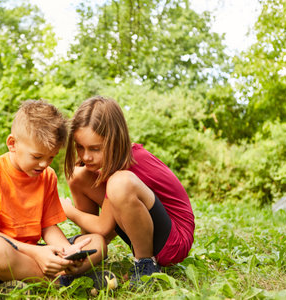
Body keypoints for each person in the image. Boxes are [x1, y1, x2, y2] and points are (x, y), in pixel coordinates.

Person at [0, 100, 115, 291]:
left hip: (32, 252)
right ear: (12, 144)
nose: (44, 164)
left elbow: (48, 227)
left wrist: (66, 252)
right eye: (37, 157)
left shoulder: (47, 176)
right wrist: (38, 254)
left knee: (97, 242)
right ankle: (63, 282)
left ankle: (45, 276)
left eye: (51, 157)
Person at [61, 96, 195, 289]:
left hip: (173, 241)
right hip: (149, 225)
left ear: (115, 141)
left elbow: (104, 227)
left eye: (95, 148)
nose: (86, 156)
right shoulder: (109, 164)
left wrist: (69, 211)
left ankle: (145, 265)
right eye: (80, 147)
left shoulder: (131, 163)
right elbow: (106, 226)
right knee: (78, 175)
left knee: (119, 183)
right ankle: (89, 252)